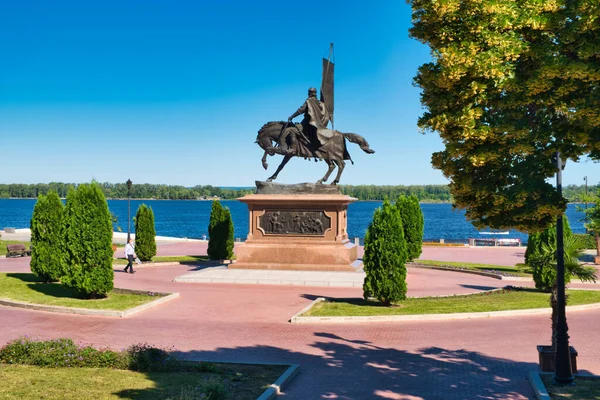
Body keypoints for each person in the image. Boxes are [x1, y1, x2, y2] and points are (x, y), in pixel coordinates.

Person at [287, 87, 332, 154]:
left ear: (311, 93)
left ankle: (293, 148)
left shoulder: (309, 101)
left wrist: (292, 116)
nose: (308, 94)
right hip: (316, 124)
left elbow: (301, 110)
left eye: (309, 92)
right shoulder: (319, 102)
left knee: (292, 131)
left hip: (307, 123)